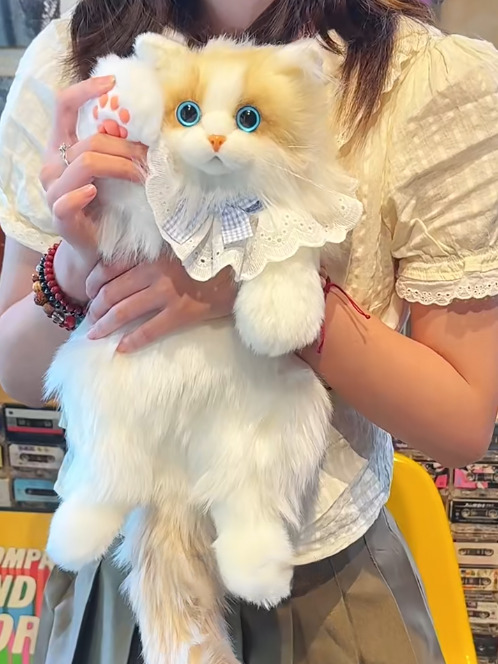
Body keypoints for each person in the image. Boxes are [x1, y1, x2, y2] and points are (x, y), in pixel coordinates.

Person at [0, 0, 497, 662]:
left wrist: (251, 279)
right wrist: (76, 256)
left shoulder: (426, 79)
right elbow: (16, 373)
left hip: (321, 582)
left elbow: (461, 424)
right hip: (119, 568)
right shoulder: (73, 58)